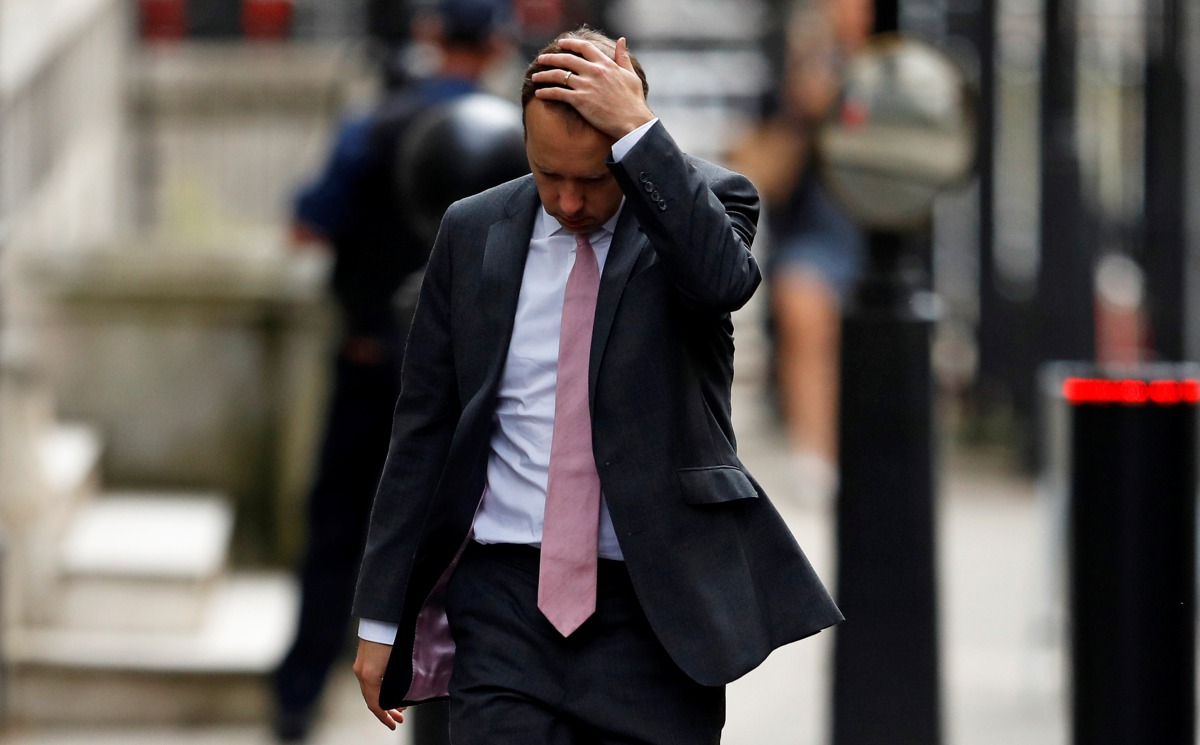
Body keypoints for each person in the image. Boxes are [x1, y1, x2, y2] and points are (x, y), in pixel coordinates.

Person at [350, 27, 842, 744]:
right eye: (549, 174)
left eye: (593, 178)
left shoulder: (705, 204)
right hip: (505, 603)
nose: (570, 200)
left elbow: (722, 281)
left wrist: (639, 131)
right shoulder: (474, 229)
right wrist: (380, 616)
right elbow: (423, 426)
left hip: (655, 613)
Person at [272, 2, 509, 740]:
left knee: (339, 529)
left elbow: (308, 223)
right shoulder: (518, 138)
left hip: (372, 360)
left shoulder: (376, 124)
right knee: (457, 552)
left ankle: (298, 697)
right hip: (470, 386)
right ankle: (441, 709)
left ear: (432, 34)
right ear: (500, 43)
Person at [729, 0, 873, 505]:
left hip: (880, 233)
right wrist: (800, 115)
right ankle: (816, 461)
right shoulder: (792, 77)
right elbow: (756, 177)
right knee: (802, 297)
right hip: (818, 238)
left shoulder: (897, 74)